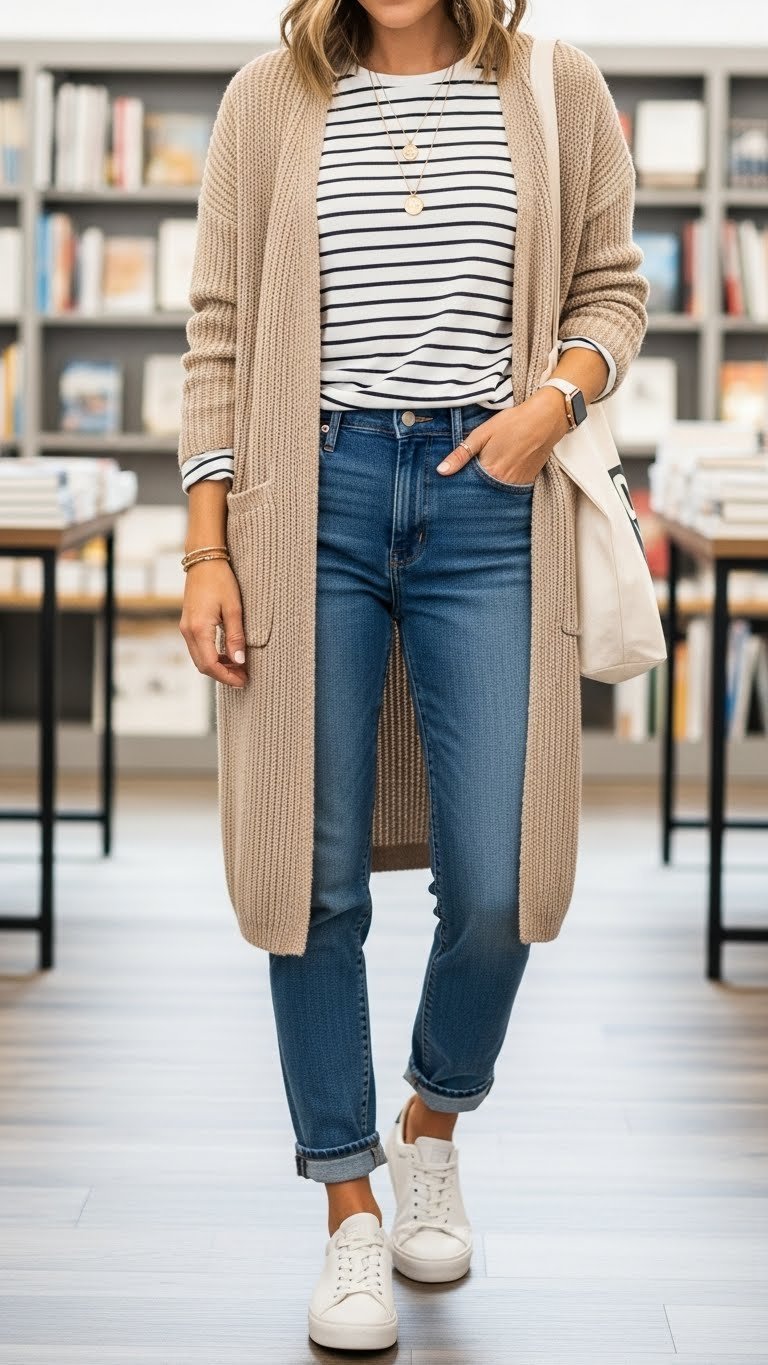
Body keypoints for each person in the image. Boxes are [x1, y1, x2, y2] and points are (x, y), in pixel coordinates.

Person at [177, 0, 649, 1350]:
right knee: (306, 869)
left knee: (501, 876)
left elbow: (610, 288)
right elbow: (217, 332)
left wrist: (550, 402)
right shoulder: (269, 97)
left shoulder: (555, 85)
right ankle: (348, 1210)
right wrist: (208, 544)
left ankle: (432, 1119)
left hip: (489, 497)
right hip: (306, 497)